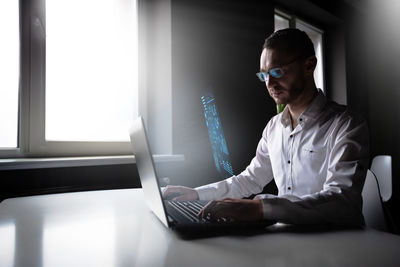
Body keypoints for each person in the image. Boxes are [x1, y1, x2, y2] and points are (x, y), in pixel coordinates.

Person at [163, 28, 369, 226]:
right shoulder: (274, 127)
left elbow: (342, 199)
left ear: (309, 65)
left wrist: (261, 208)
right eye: (264, 75)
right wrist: (196, 194)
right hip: (288, 236)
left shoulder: (346, 124)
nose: (270, 83)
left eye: (277, 72)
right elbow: (250, 179)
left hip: (338, 242)